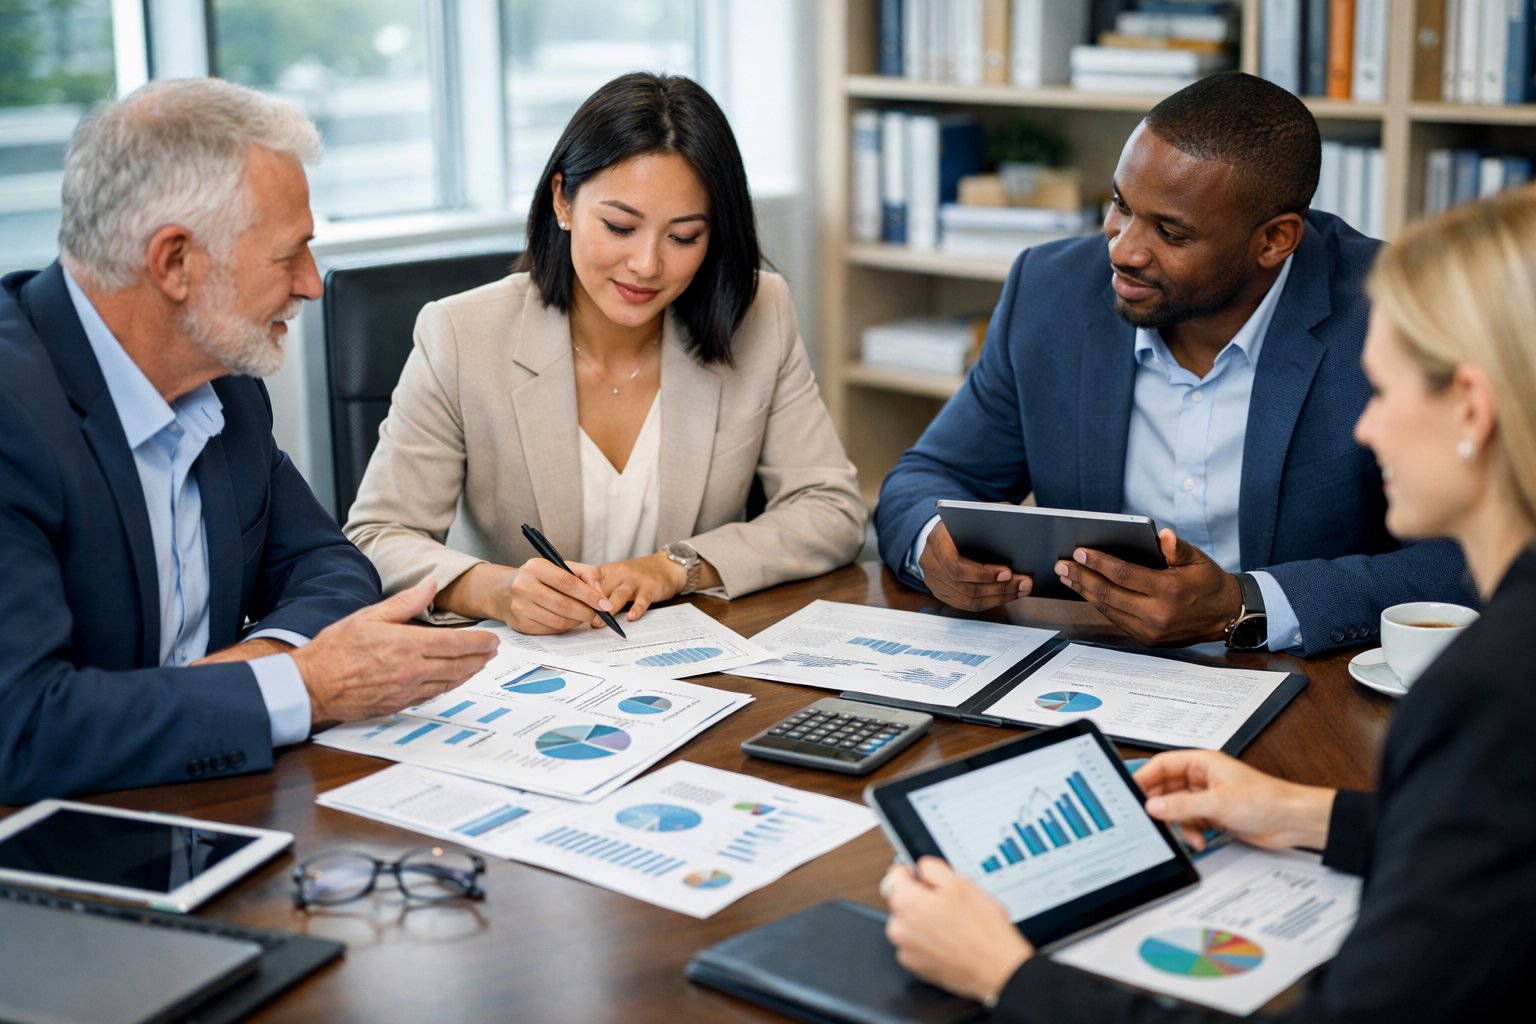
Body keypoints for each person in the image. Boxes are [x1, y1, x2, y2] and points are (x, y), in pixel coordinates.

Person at [882, 186, 1536, 1021]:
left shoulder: (1488, 697)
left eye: (1383, 392)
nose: (1365, 430)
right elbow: (1501, 843)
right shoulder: (1054, 292)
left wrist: (1006, 975)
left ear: (1474, 408)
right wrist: (1307, 812)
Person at [0, 79, 499, 804]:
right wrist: (299, 685)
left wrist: (255, 668)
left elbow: (331, 565)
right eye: (288, 254)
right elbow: (25, 728)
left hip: (214, 798)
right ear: (174, 262)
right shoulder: (14, 416)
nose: (311, 285)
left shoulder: (224, 379)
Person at [875, 72, 1471, 656]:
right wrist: (934, 546)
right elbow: (924, 478)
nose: (1122, 248)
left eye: (1170, 231)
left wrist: (1246, 604)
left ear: (1275, 240)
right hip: (1094, 666)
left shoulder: (1396, 312)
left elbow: (1478, 553)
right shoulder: (1050, 291)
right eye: (1120, 204)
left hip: (1312, 686)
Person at [344, 72, 865, 635]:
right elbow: (377, 537)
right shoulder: (460, 334)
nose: (647, 264)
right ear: (563, 200)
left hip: (695, 663)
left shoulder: (759, 312)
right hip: (528, 676)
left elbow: (831, 510)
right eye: (620, 226)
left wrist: (675, 567)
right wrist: (496, 590)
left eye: (684, 237)